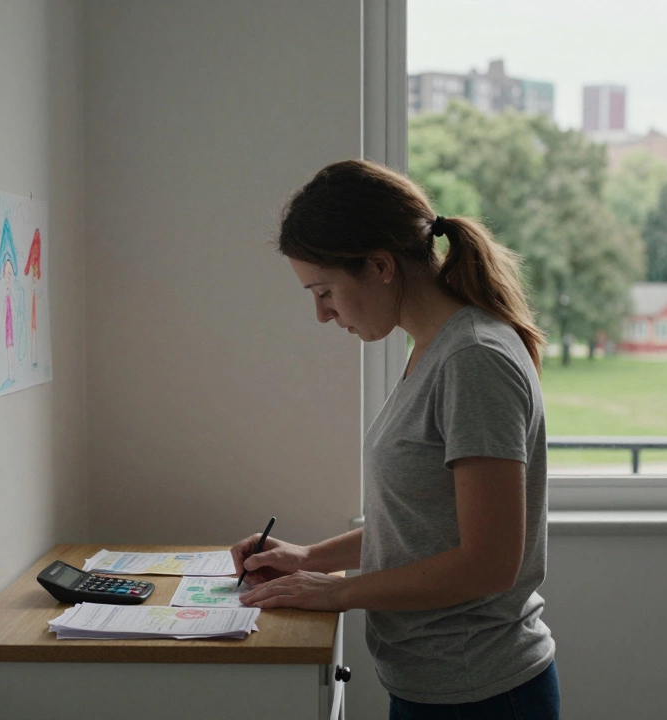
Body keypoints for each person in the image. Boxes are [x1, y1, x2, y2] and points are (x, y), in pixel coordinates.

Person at [232, 159, 559, 719]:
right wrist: (310, 558)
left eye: (324, 291)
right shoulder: (435, 349)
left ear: (380, 265)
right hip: (433, 683)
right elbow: (423, 527)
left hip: (479, 692)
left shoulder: (473, 359)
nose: (321, 314)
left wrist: (336, 592)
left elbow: (489, 563)